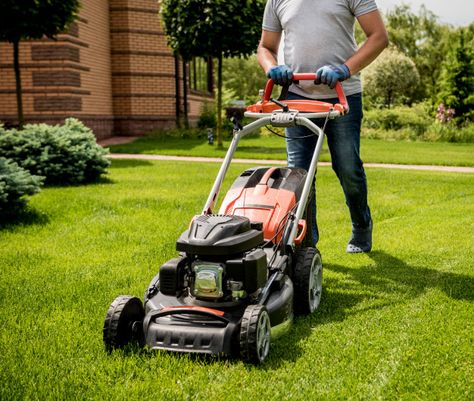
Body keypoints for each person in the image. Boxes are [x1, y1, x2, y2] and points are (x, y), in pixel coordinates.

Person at [257, 0, 388, 253]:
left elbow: (379, 37)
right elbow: (266, 47)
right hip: (296, 96)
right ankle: (307, 243)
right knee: (298, 175)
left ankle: (361, 226)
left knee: (348, 167)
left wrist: (344, 69)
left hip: (342, 94)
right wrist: (272, 68)